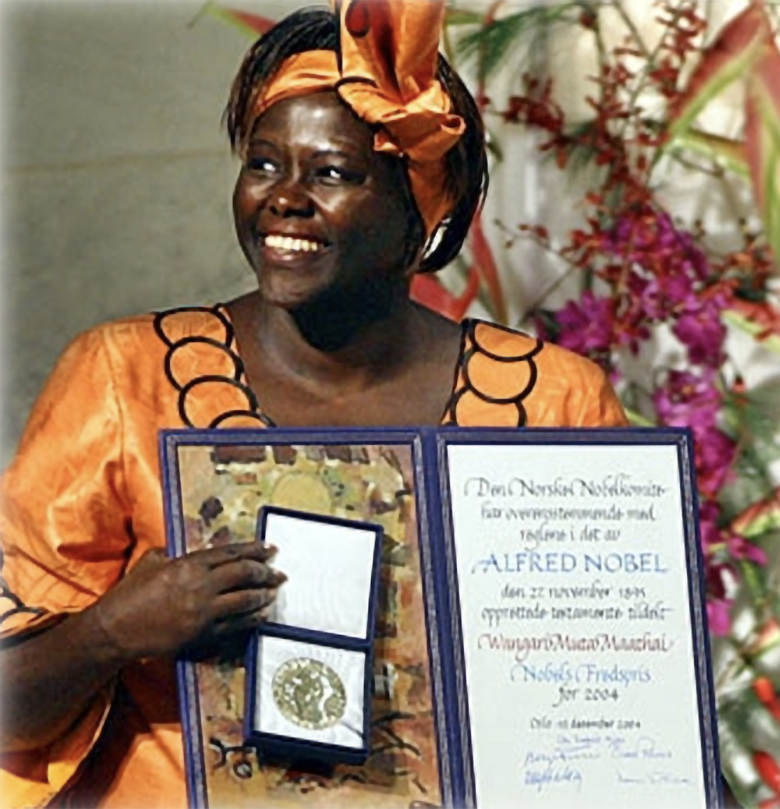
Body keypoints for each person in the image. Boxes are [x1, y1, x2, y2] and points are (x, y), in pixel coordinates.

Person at [0, 1, 627, 807]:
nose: (284, 198)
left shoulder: (551, 400)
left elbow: (613, 680)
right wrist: (114, 630)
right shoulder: (124, 378)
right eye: (264, 164)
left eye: (332, 173)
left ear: (422, 216)